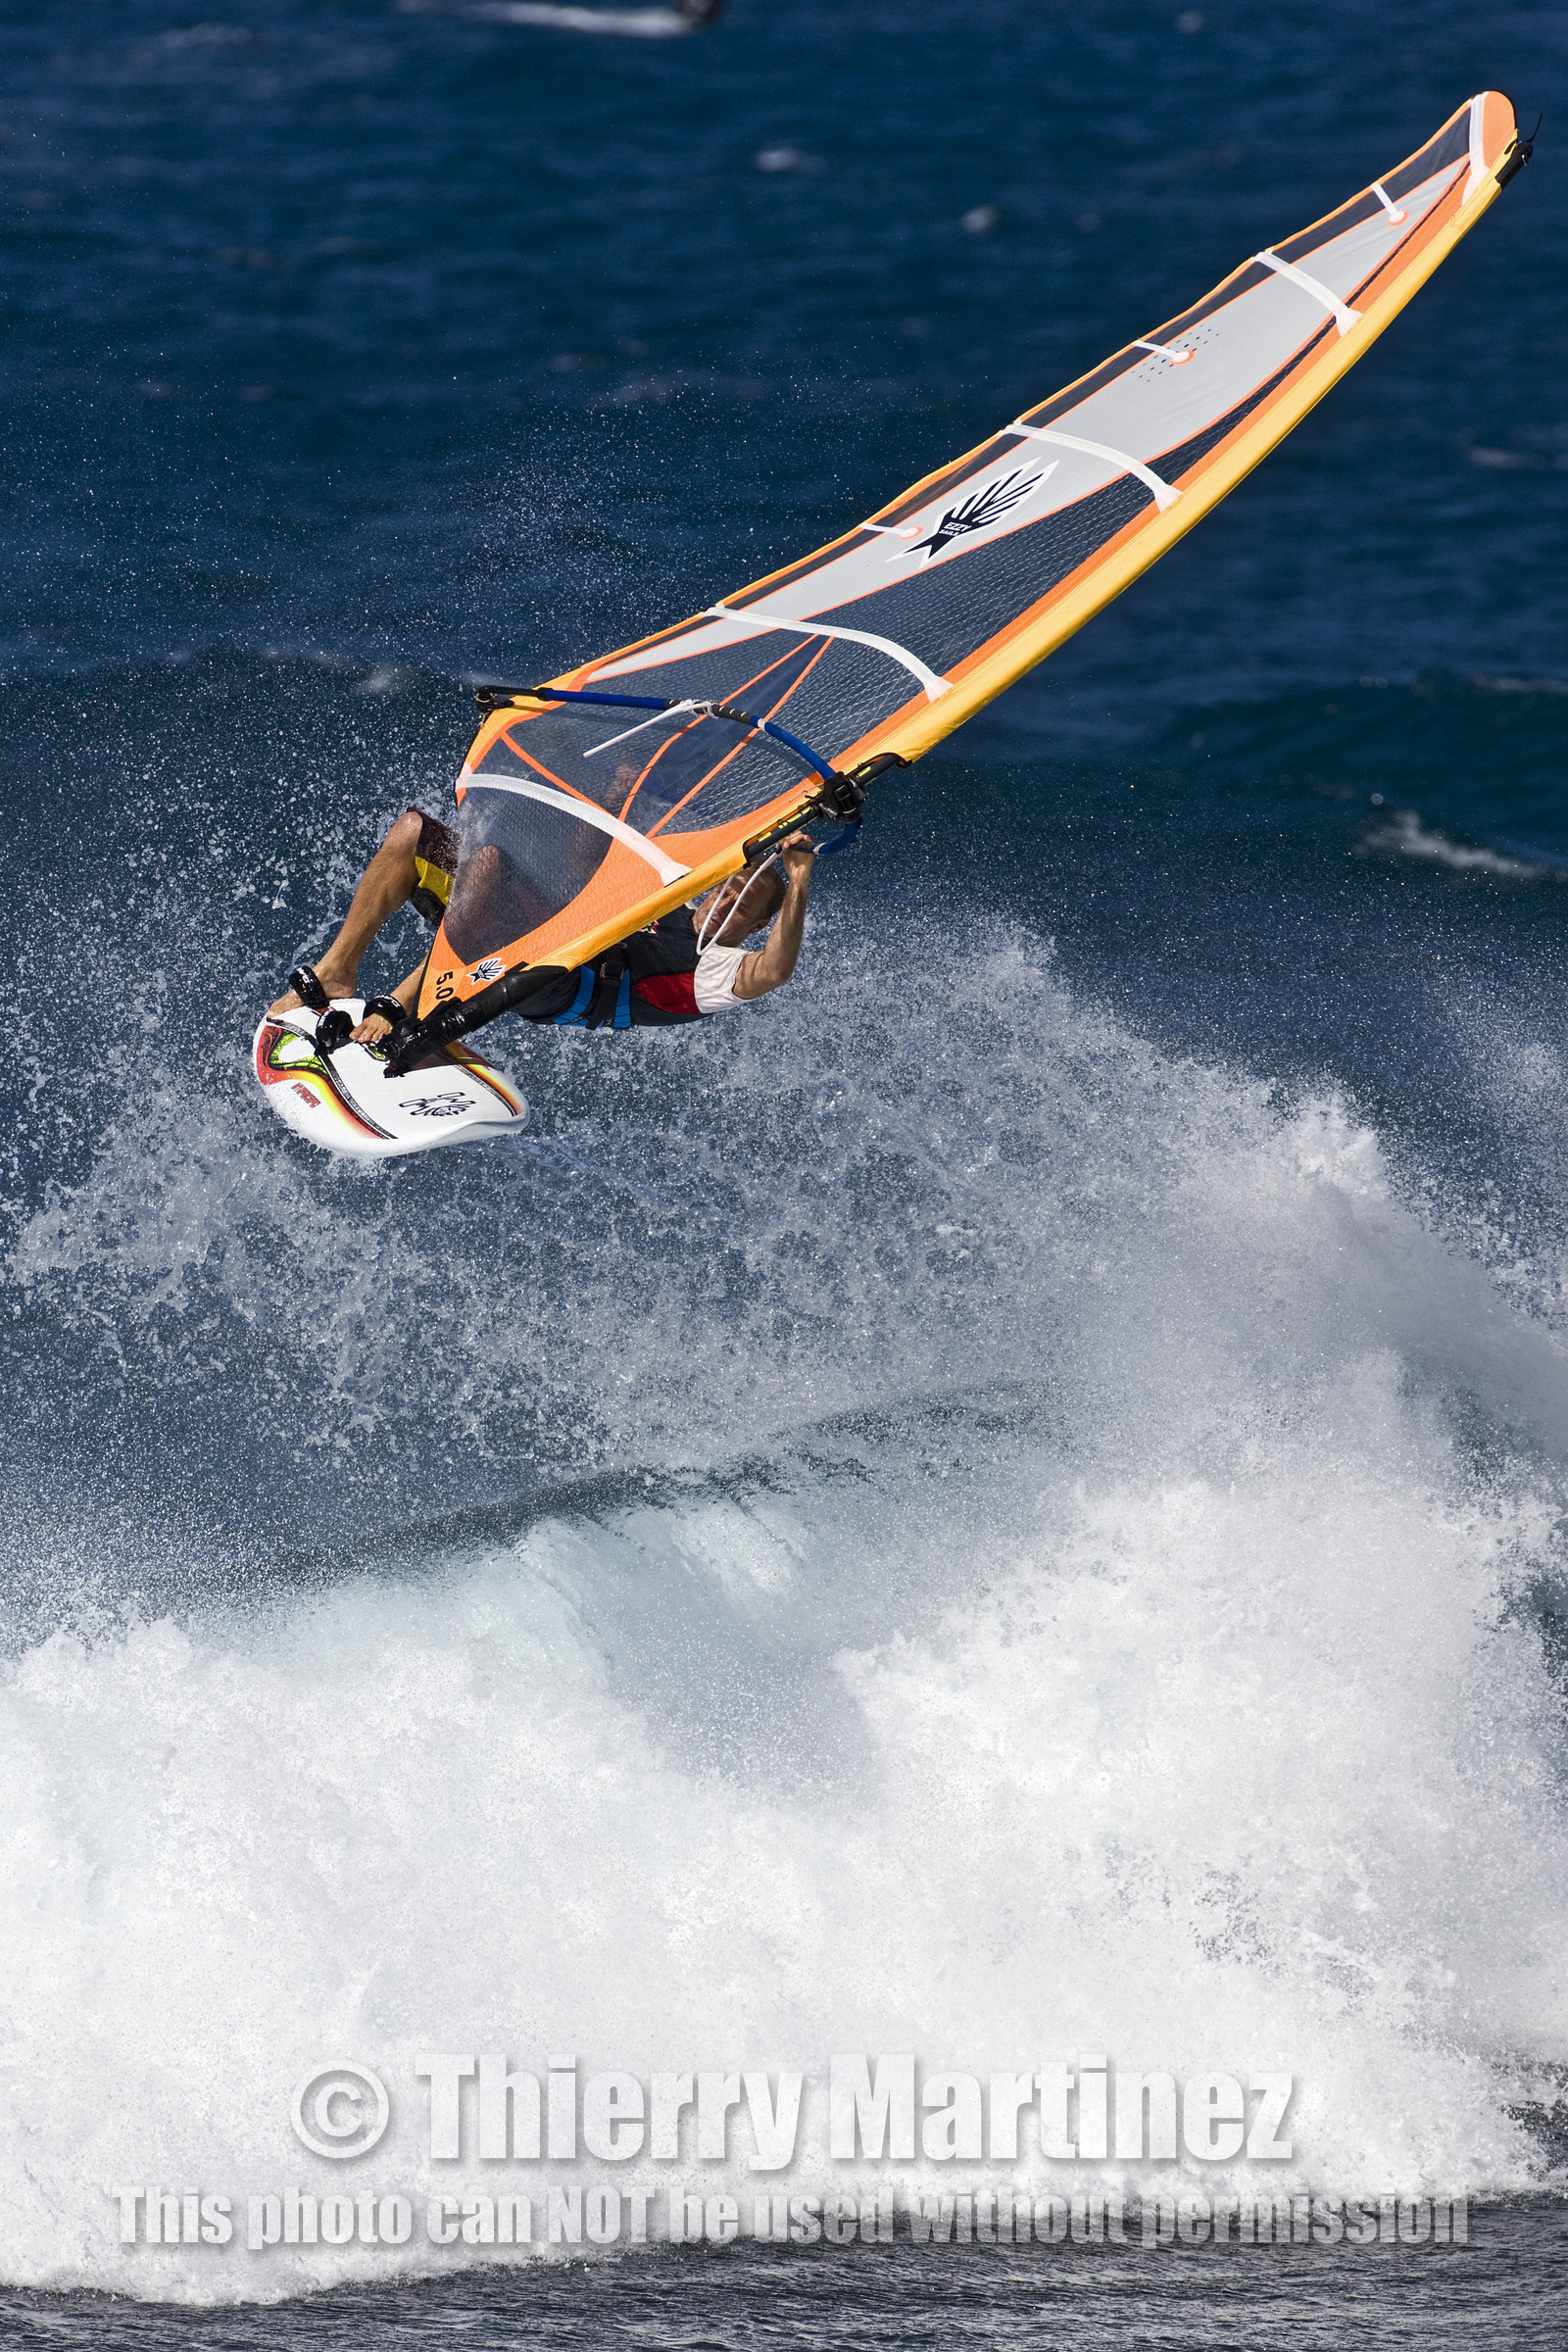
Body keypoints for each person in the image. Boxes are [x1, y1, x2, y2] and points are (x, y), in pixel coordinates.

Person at [270, 806, 817, 1045]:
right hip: (537, 932)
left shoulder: (714, 969)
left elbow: (772, 972)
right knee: (416, 837)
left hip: (559, 983)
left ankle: (403, 1007)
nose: (727, 904)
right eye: (729, 888)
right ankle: (337, 970)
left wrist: (799, 881)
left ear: (753, 928)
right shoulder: (666, 894)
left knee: (502, 890)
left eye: (744, 907)